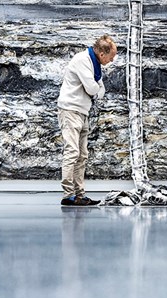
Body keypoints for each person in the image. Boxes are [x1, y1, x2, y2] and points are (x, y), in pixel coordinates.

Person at [57, 34, 117, 206]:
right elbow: (93, 89)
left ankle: (79, 194)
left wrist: (96, 88)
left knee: (82, 155)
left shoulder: (94, 65)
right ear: (102, 54)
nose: (111, 61)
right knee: (72, 152)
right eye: (111, 57)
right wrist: (96, 88)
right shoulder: (83, 60)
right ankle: (68, 195)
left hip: (82, 111)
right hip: (70, 110)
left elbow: (100, 90)